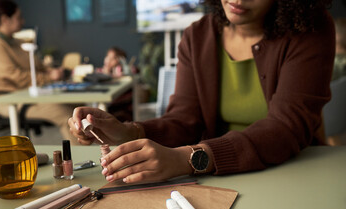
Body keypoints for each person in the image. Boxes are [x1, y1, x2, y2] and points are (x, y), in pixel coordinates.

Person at [69, 0, 335, 183]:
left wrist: (188, 158)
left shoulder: (310, 30)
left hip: (297, 172)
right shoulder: (197, 36)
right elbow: (185, 119)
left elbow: (286, 127)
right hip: (222, 176)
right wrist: (128, 131)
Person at [0, 0, 78, 145]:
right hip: (11, 100)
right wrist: (49, 77)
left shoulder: (16, 42)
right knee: (66, 115)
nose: (23, 21)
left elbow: (37, 65)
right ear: (5, 19)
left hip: (31, 95)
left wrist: (51, 70)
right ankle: (79, 161)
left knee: (78, 107)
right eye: (18, 17)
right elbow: (15, 77)